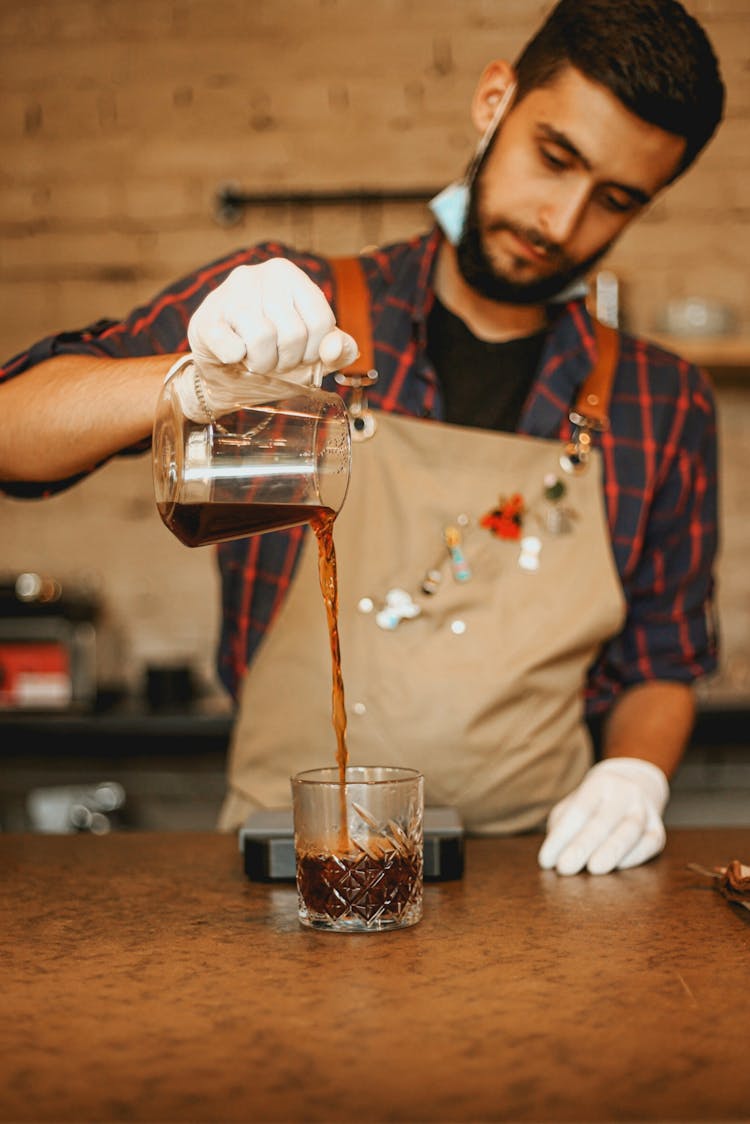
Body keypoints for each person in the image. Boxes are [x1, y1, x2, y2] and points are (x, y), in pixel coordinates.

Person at [0, 0, 725, 875]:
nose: (561, 223)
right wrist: (188, 383)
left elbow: (662, 655)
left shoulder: (662, 399)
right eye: (554, 157)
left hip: (542, 876)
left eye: (614, 199)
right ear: (494, 100)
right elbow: (14, 432)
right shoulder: (294, 315)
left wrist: (636, 772)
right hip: (285, 863)